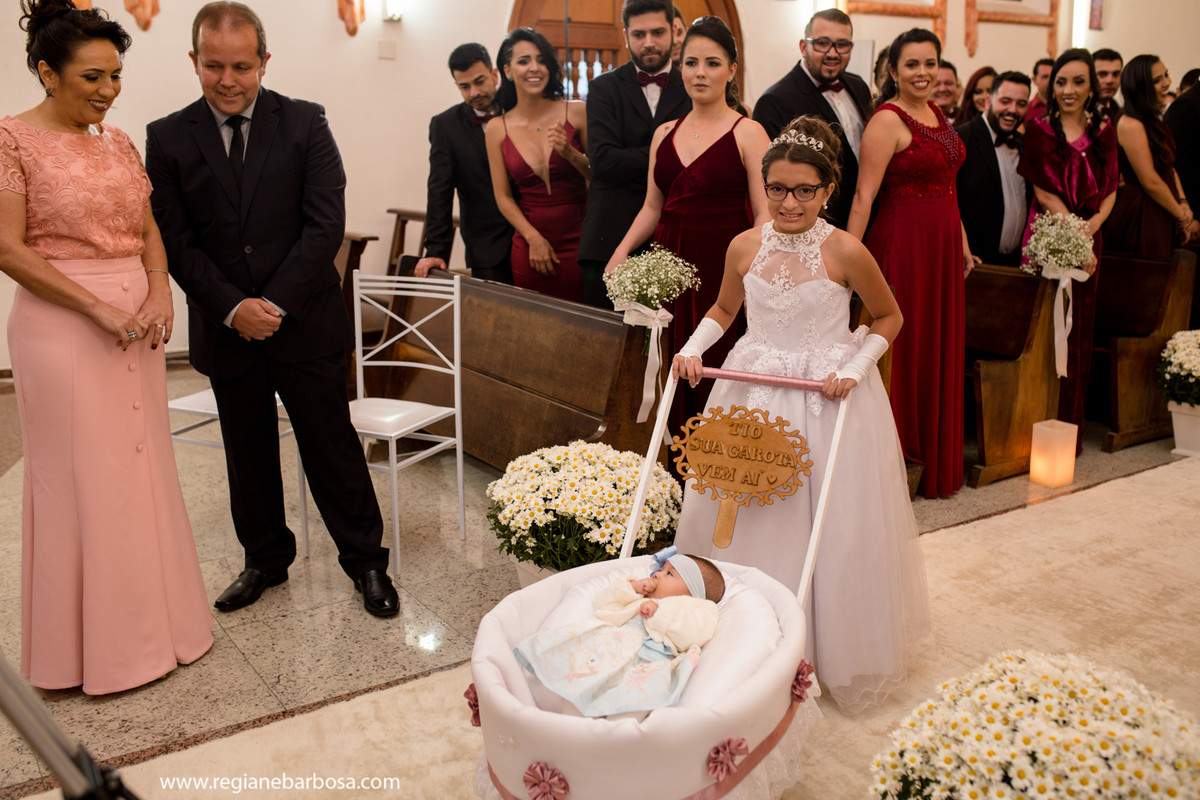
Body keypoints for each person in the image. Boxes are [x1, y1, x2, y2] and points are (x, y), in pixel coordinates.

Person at [146, 1, 399, 617]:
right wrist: (233, 308)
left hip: (304, 321)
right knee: (247, 451)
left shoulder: (305, 122)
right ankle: (264, 559)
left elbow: (324, 224)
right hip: (225, 328)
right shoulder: (168, 136)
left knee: (331, 446)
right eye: (214, 66)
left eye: (241, 66)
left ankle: (366, 562)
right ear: (194, 60)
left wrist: (274, 303)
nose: (227, 80)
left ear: (264, 61)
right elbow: (175, 239)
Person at [672, 116, 929, 713]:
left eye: (804, 191)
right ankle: (736, 637)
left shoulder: (845, 250)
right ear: (763, 186)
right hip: (751, 388)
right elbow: (724, 308)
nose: (789, 203)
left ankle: (819, 644)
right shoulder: (744, 245)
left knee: (817, 514)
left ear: (827, 190)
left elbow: (889, 316)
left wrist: (856, 367)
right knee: (740, 502)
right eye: (778, 189)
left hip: (823, 394)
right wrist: (693, 347)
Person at [2, 0, 213, 694]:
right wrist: (93, 306)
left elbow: (148, 228)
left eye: (115, 75)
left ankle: (164, 631)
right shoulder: (10, 139)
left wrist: (159, 289)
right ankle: (88, 654)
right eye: (91, 76)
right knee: (83, 480)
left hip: (137, 322)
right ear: (46, 72)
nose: (108, 90)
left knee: (142, 471)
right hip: (63, 328)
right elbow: (6, 247)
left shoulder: (118, 142)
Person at [605, 16, 770, 435]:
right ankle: (670, 463)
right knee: (667, 365)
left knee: (715, 365)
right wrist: (621, 252)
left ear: (732, 70)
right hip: (668, 268)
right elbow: (652, 207)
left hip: (723, 266)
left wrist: (754, 279)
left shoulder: (749, 132)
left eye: (712, 63)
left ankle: (713, 463)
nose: (700, 73)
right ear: (680, 67)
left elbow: (764, 215)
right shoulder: (664, 133)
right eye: (692, 63)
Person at [848, 28, 972, 499]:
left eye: (930, 63)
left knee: (934, 343)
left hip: (941, 246)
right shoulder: (887, 120)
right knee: (906, 349)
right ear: (893, 70)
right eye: (912, 64)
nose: (923, 73)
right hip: (904, 247)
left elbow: (948, 185)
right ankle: (894, 465)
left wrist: (962, 241)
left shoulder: (938, 113)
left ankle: (932, 460)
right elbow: (864, 196)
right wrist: (846, 262)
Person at [1018, 48, 1118, 453]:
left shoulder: (1104, 129)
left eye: (1078, 81)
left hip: (1091, 235)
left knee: (1080, 331)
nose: (1069, 90)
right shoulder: (1039, 131)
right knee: (1050, 331)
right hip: (1051, 233)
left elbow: (1110, 189)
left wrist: (1091, 229)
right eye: (1061, 82)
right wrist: (1076, 234)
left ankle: (1070, 429)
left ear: (1091, 86)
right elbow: (1043, 193)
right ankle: (1037, 428)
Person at [579, 0, 690, 308]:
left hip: (676, 238)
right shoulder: (602, 88)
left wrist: (631, 157)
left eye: (657, 32)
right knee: (602, 333)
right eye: (639, 34)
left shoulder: (692, 86)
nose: (648, 42)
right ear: (625, 35)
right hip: (609, 235)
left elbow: (698, 162)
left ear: (674, 32)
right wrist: (667, 156)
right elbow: (603, 162)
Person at [514, 555, 724, 717]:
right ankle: (569, 727)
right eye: (660, 569)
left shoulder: (698, 608)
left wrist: (660, 612)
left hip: (648, 663)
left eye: (669, 574)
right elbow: (606, 606)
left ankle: (616, 737)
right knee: (579, 687)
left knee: (633, 703)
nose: (657, 575)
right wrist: (632, 588)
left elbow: (697, 631)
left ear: (693, 593)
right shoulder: (640, 599)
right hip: (611, 649)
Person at [485, 27, 590, 302]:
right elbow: (503, 197)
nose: (534, 68)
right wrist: (532, 238)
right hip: (530, 246)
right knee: (534, 323)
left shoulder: (577, 112)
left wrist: (571, 154)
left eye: (541, 60)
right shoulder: (497, 128)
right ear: (508, 71)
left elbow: (601, 178)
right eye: (524, 61)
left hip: (582, 241)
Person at [752, 8, 871, 229]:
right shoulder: (775, 101)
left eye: (842, 45)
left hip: (866, 221)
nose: (833, 53)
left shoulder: (858, 86)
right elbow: (771, 179)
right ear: (803, 46)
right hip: (814, 225)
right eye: (822, 43)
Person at [414, 43, 513, 284]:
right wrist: (435, 250)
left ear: (494, 74)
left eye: (479, 82)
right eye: (464, 86)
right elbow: (439, 190)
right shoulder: (445, 126)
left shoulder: (518, 110)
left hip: (535, 237)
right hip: (486, 246)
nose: (473, 93)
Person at [1106, 55, 1198, 257]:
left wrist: (1183, 203)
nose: (1167, 83)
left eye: (1166, 75)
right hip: (1141, 211)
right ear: (1140, 87)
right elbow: (1150, 181)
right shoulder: (1130, 124)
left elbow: (1169, 166)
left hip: (1163, 205)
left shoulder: (1153, 121)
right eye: (1157, 80)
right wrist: (1181, 216)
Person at [955, 71, 1032, 267]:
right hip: (973, 264)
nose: (1012, 110)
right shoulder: (961, 139)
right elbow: (947, 205)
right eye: (1005, 101)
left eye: (1021, 104)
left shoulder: (1025, 145)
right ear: (988, 101)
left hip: (1015, 266)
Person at [1093, 48, 1123, 118]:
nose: (1110, 80)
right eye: (1102, 74)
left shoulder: (1120, 113)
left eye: (1115, 74)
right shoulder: (1079, 113)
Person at [1025, 57, 1054, 123]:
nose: (1050, 81)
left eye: (1053, 77)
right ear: (1034, 80)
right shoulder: (1026, 111)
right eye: (1045, 77)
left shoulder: (1066, 108)